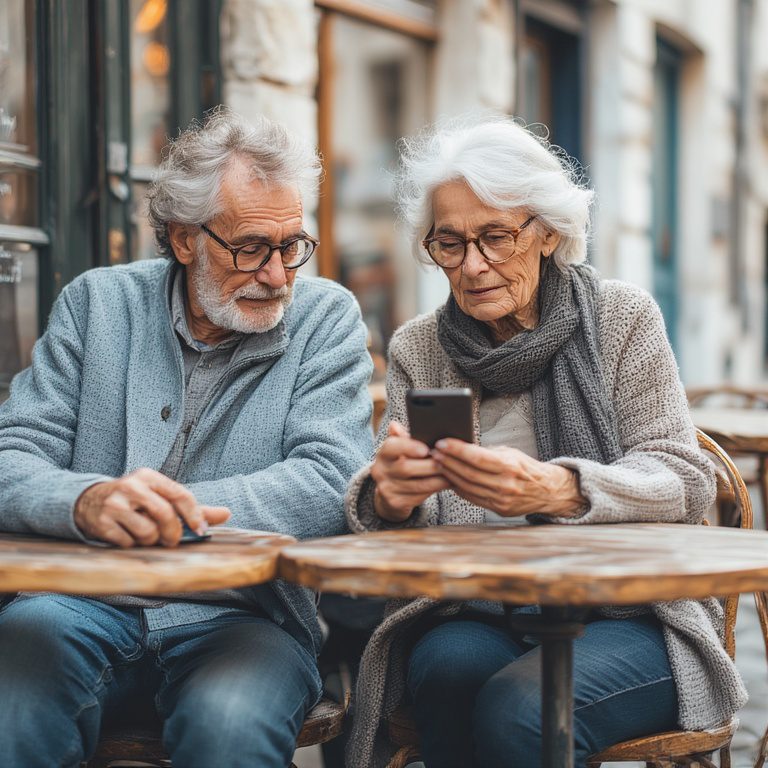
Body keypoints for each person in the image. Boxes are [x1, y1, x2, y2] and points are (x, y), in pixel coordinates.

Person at [344, 116, 746, 768]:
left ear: (549, 232)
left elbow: (684, 475)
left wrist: (561, 489)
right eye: (450, 243)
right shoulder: (420, 346)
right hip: (474, 606)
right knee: (446, 672)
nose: (472, 266)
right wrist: (391, 496)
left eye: (496, 237)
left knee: (522, 710)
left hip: (629, 612)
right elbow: (397, 513)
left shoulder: (621, 317)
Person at [0, 108, 374, 768]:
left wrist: (174, 514)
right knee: (15, 709)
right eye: (251, 248)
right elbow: (12, 457)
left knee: (229, 728)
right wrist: (87, 502)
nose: (278, 275)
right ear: (182, 239)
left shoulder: (326, 317)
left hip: (246, 618)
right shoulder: (97, 304)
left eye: (292, 246)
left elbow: (332, 478)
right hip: (76, 604)